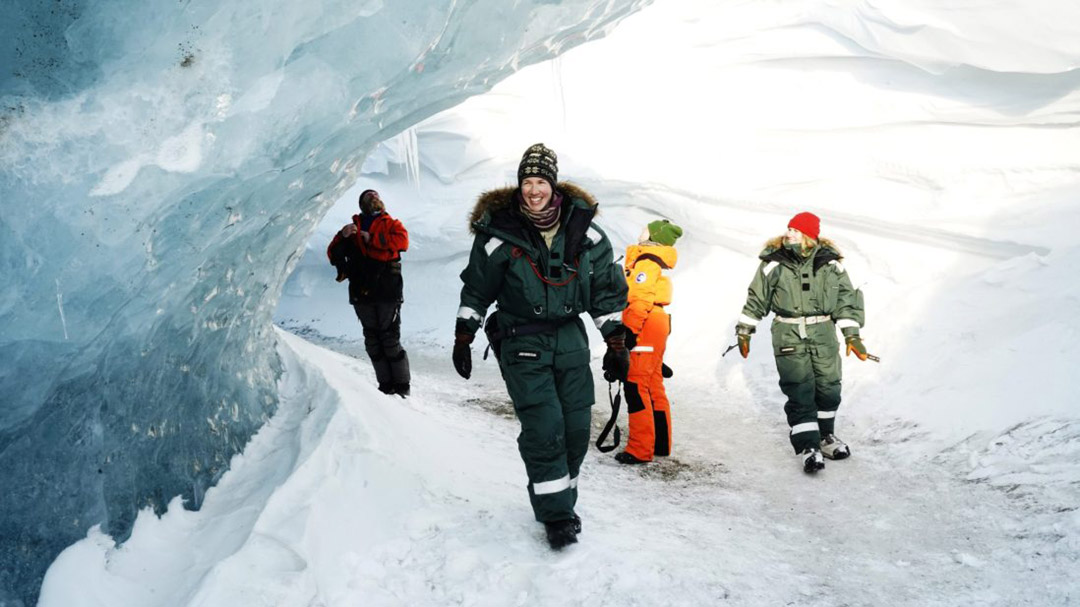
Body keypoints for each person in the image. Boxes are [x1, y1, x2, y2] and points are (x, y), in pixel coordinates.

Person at [452, 143, 629, 550]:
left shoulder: (587, 233)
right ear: (520, 185)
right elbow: (477, 288)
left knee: (575, 430)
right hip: (522, 341)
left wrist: (616, 343)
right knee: (545, 428)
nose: (534, 190)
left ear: (553, 185)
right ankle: (556, 516)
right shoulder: (498, 233)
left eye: (540, 182)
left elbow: (604, 294)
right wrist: (464, 334)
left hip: (570, 341)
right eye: (527, 182)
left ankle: (562, 499)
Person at [733, 212, 868, 474]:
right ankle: (809, 446)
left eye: (795, 230)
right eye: (789, 228)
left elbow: (846, 301)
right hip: (788, 331)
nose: (789, 233)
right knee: (799, 388)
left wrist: (852, 335)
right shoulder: (774, 263)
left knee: (829, 386)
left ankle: (826, 437)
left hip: (823, 332)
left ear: (809, 235)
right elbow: (756, 298)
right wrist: (745, 330)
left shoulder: (831, 264)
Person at [327, 189, 412, 396]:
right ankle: (385, 387)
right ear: (362, 204)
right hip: (361, 291)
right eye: (368, 197)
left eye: (376, 195)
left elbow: (402, 242)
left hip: (387, 290)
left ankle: (401, 388)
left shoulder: (392, 223)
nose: (374, 198)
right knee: (372, 340)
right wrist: (342, 235)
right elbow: (332, 253)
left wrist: (372, 238)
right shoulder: (352, 229)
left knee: (389, 339)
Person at [613, 219, 683, 465]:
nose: (640, 231)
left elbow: (640, 297)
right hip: (657, 322)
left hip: (645, 322)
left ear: (654, 235)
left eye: (645, 228)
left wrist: (629, 331)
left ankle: (640, 449)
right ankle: (660, 443)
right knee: (653, 384)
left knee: (636, 385)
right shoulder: (650, 261)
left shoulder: (646, 261)